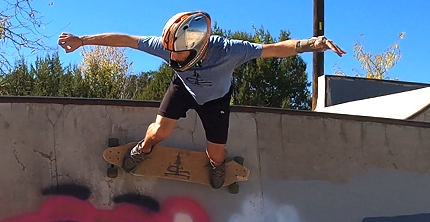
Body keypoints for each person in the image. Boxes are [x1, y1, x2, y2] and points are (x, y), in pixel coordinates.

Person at [58, 12, 345, 187]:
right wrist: (83, 39)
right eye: (169, 53)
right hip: (183, 89)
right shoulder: (168, 46)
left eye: (177, 56)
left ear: (196, 49)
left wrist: (311, 44)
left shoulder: (231, 50)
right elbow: (126, 40)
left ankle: (217, 166)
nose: (170, 58)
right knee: (159, 130)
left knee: (216, 152)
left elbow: (273, 49)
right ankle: (143, 150)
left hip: (216, 100)